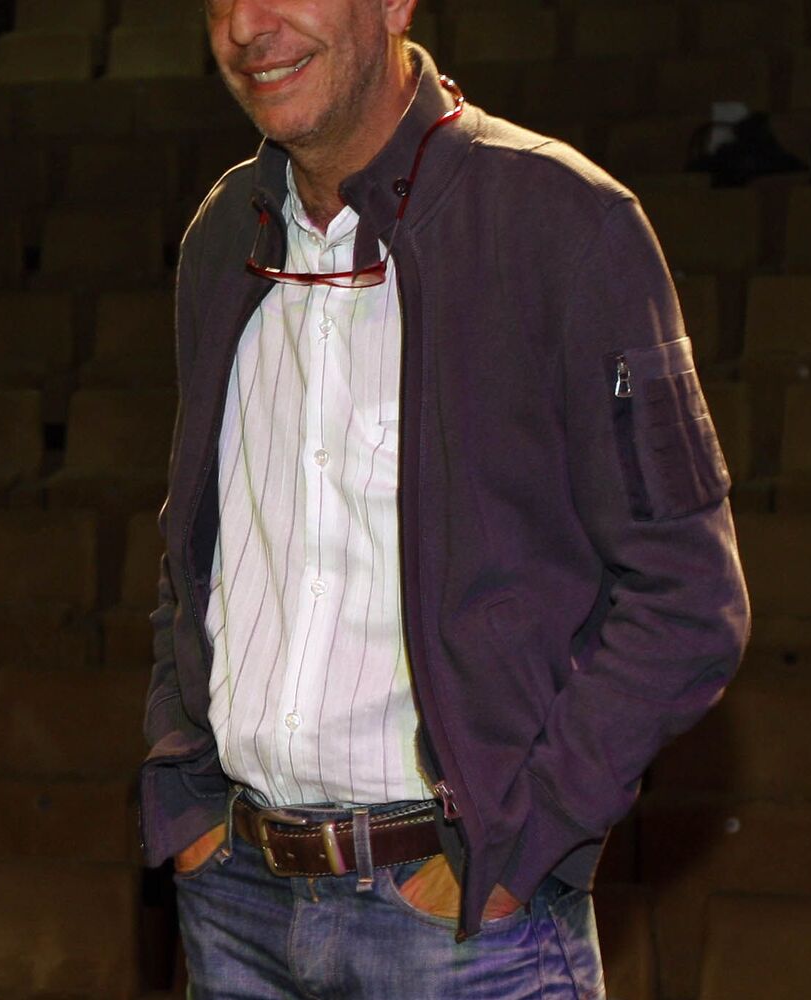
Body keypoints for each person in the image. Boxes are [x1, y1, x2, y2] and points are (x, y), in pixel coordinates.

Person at [138, 0, 752, 996]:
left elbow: (689, 598)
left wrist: (523, 840)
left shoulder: (565, 221)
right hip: (236, 902)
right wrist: (190, 797)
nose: (248, 25)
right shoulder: (221, 237)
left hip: (465, 931)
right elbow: (192, 555)